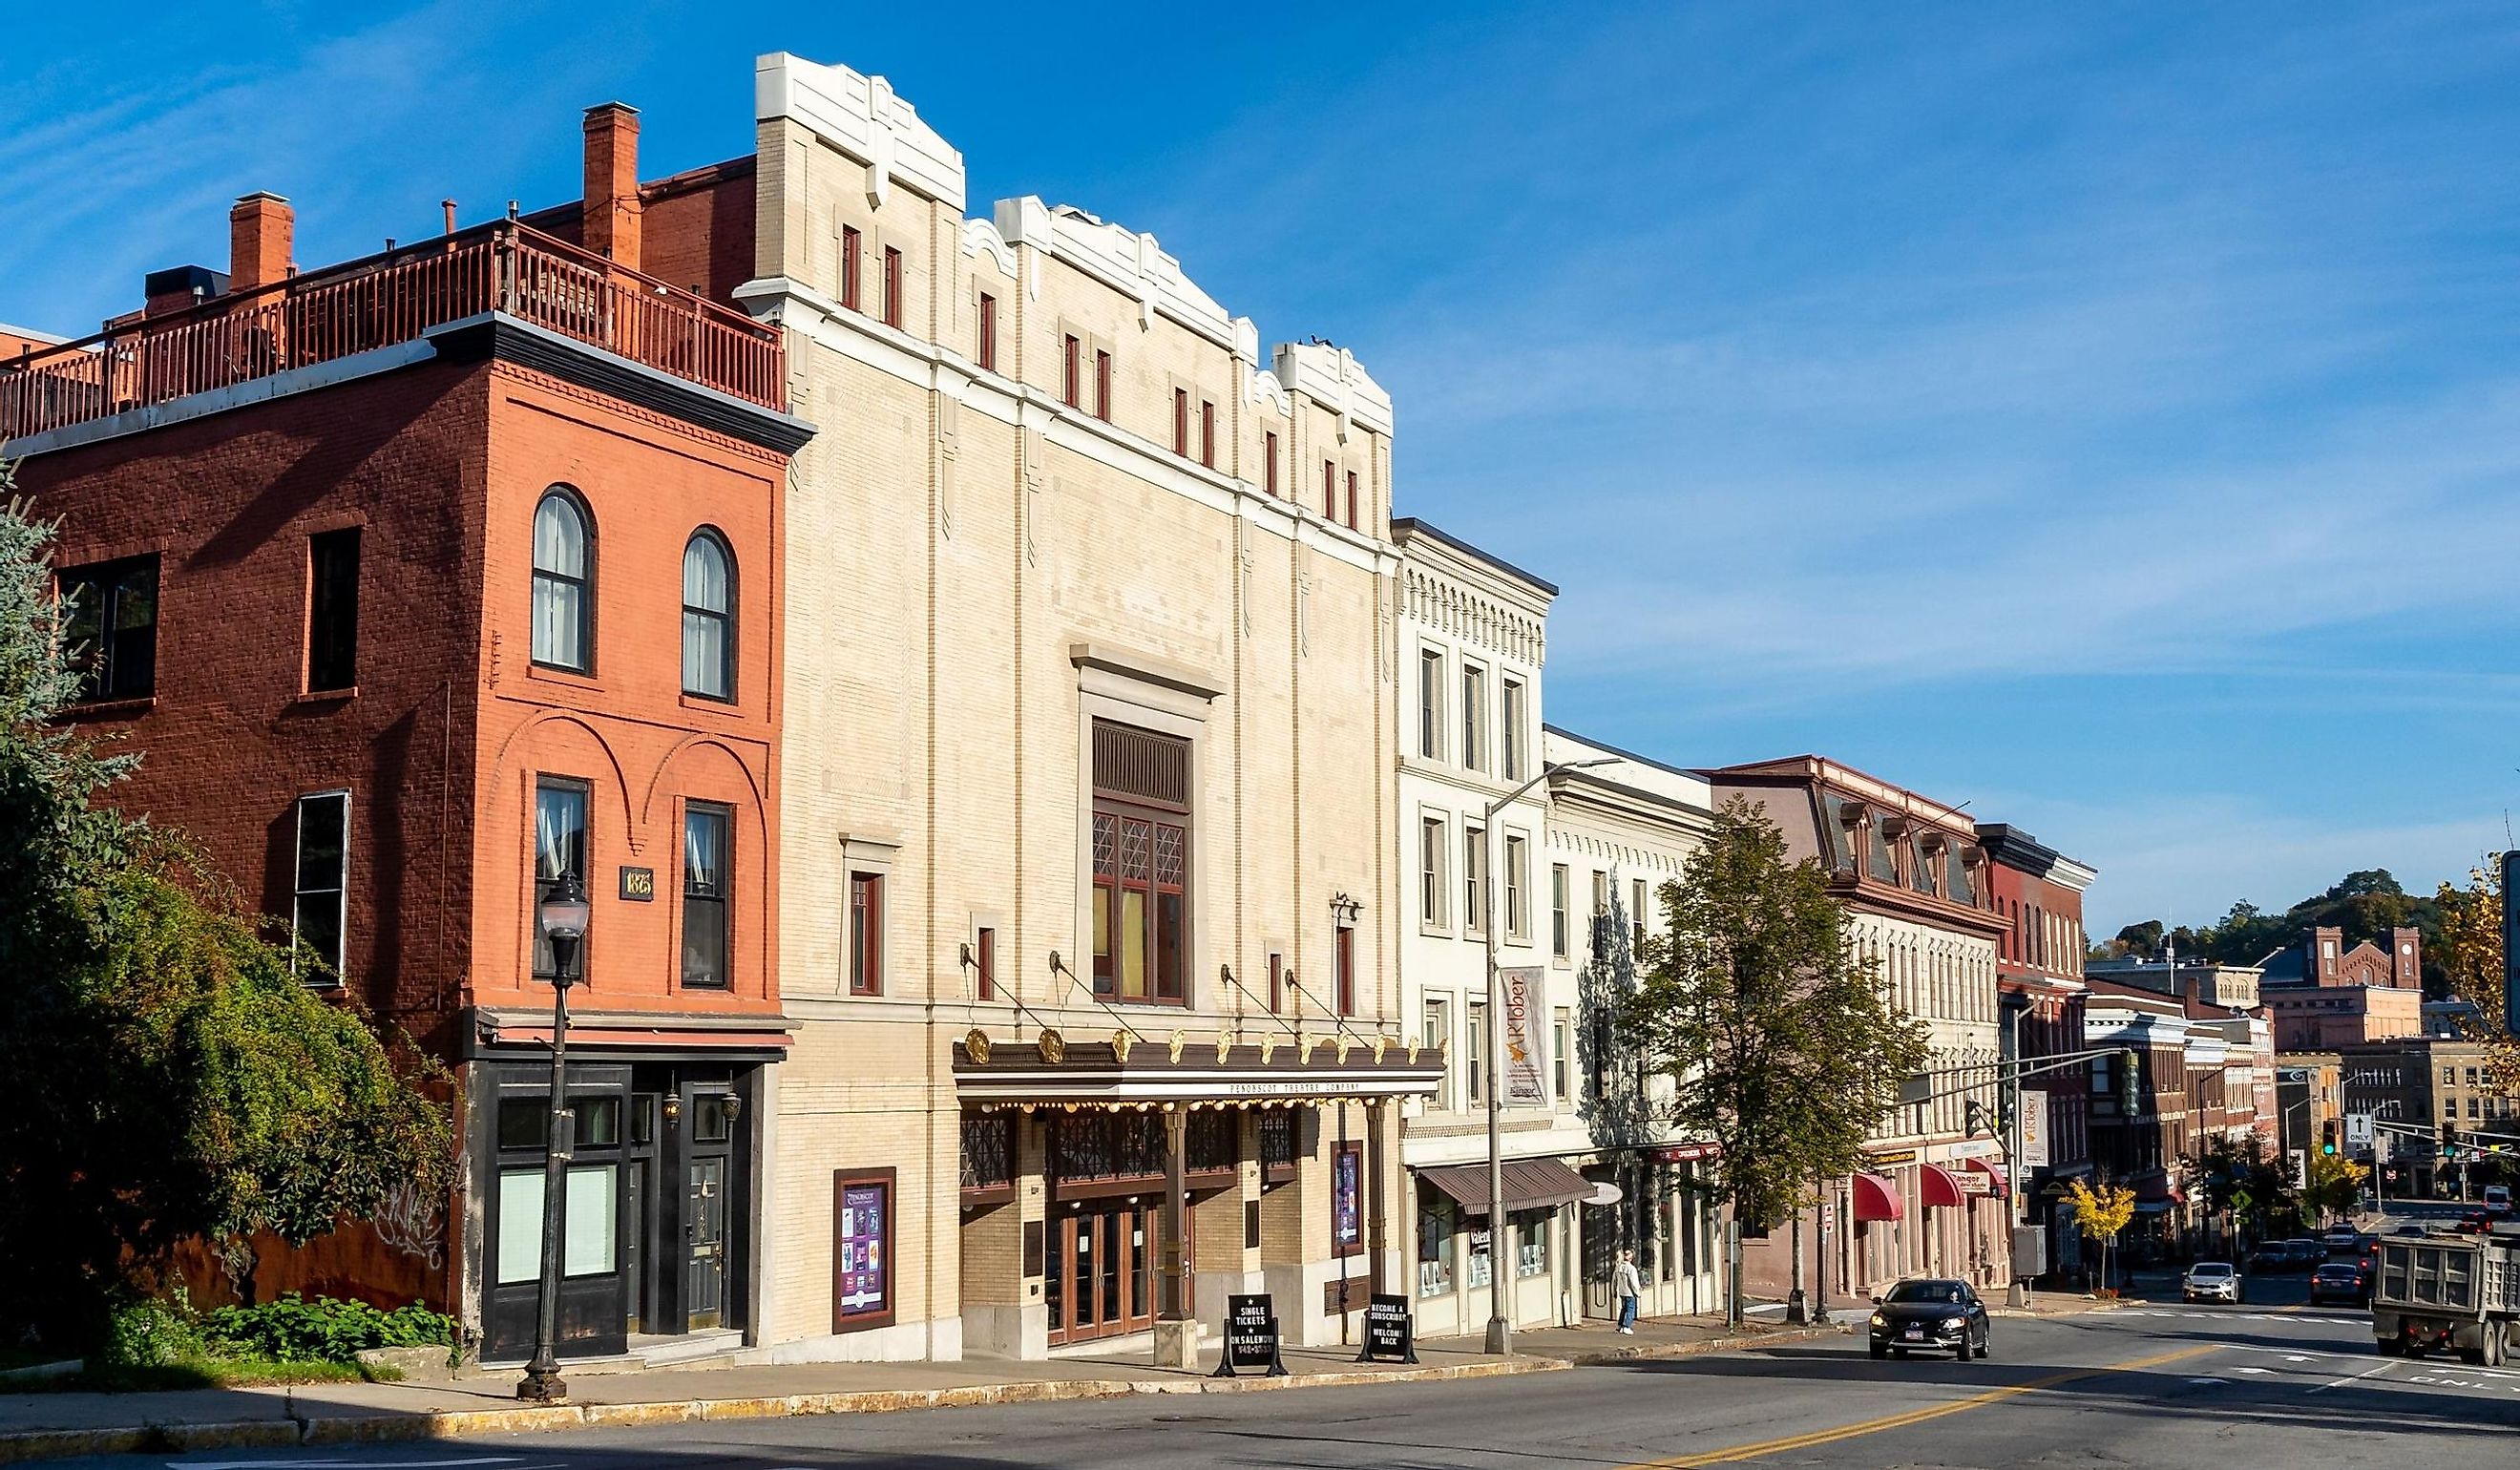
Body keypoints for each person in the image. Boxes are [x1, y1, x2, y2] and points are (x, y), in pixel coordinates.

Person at [1613, 1248, 1644, 1334]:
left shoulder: (1618, 1268)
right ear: (1631, 1258)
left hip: (1622, 1292)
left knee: (1624, 1309)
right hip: (1630, 1292)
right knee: (1630, 1309)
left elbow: (1614, 1281)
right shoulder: (1631, 1269)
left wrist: (1614, 1291)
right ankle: (1626, 1326)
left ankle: (1620, 1325)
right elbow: (1634, 1282)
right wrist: (1637, 1292)